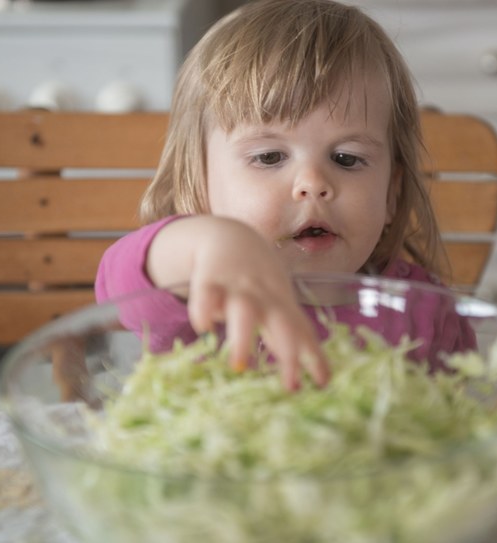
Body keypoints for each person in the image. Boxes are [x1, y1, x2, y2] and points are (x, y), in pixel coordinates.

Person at [95, 0, 474, 391]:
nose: (311, 183)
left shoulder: (423, 310)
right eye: (269, 157)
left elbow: (458, 424)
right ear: (198, 184)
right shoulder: (198, 297)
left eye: (347, 158)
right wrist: (208, 243)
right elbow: (119, 284)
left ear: (391, 194)